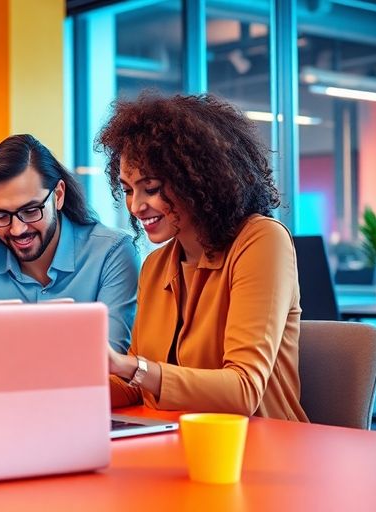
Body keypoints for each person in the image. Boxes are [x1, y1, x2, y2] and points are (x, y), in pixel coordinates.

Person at [97, 93, 308, 421]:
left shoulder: (261, 241)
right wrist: (64, 385)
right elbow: (137, 384)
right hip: (177, 443)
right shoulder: (155, 266)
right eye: (127, 189)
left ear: (198, 181)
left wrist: (130, 367)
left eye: (150, 188)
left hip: (260, 445)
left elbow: (244, 389)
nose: (136, 206)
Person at [0, 134, 139, 353]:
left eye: (30, 211)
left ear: (58, 195)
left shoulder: (112, 253)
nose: (17, 229)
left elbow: (110, 363)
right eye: (0, 216)